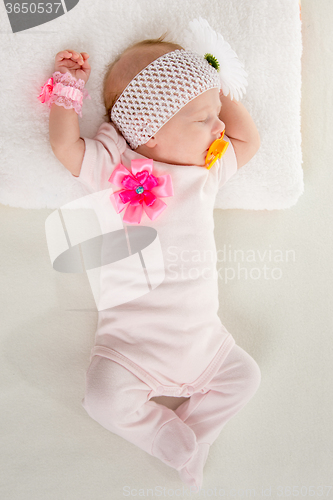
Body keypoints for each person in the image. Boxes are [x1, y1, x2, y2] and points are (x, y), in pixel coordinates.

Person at [43, 27, 261, 492]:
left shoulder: (205, 172)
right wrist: (67, 89)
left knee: (244, 376)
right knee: (103, 399)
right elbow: (66, 146)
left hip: (206, 344)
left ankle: (191, 441)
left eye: (216, 115)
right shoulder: (114, 169)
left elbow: (249, 140)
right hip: (130, 349)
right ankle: (164, 434)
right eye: (203, 117)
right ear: (150, 129)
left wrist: (217, 89)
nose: (219, 127)